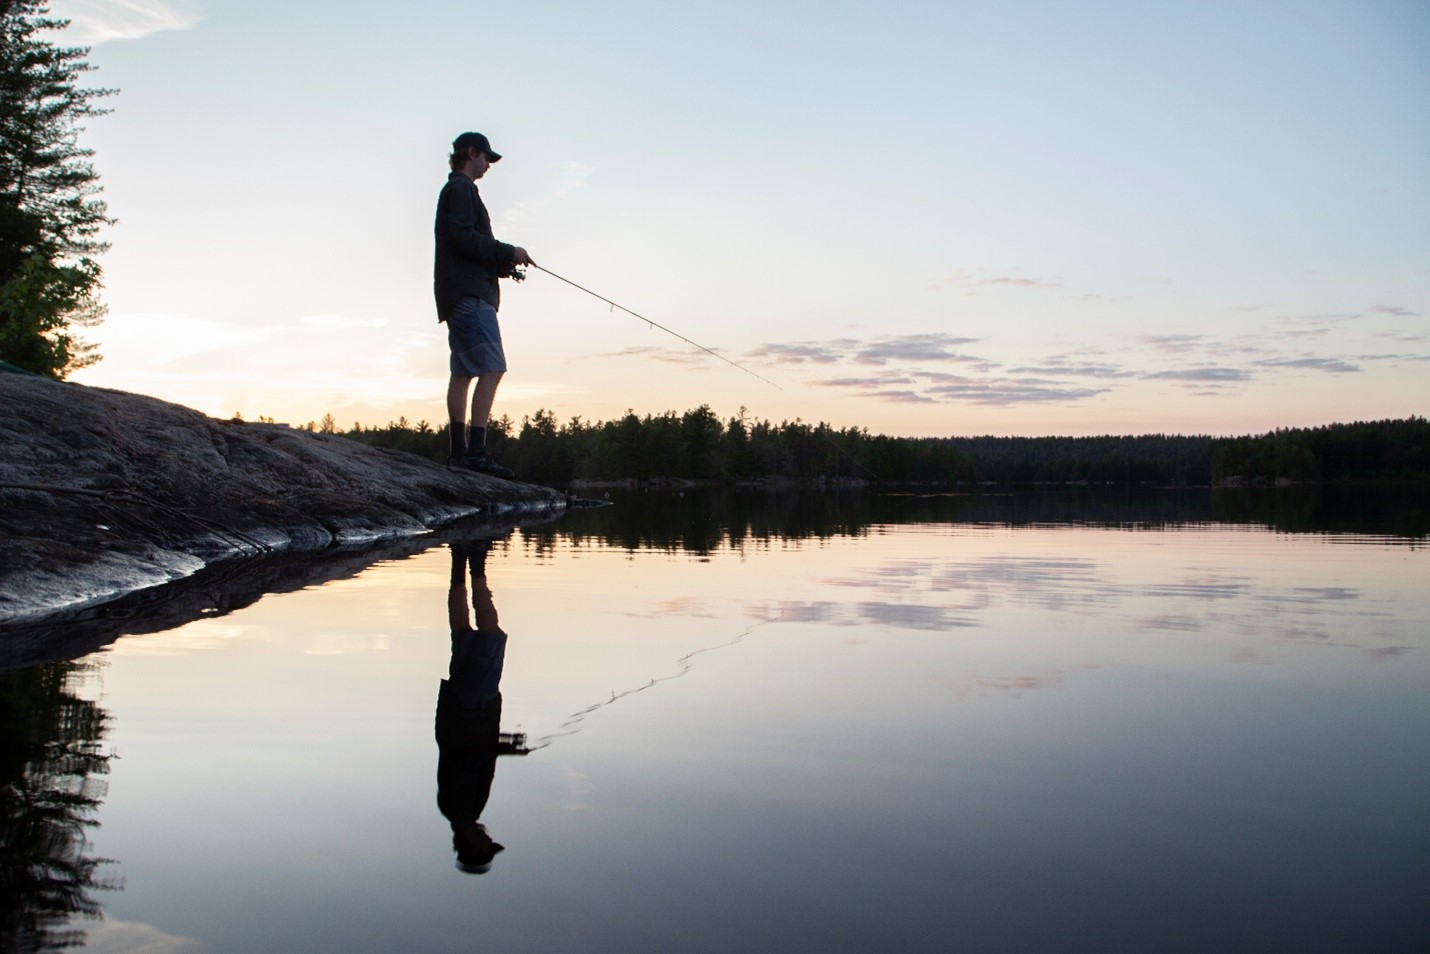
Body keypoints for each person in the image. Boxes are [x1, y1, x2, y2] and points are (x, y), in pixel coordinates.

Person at [434, 131, 534, 479]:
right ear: (471, 153)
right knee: (493, 368)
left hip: (457, 293)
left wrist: (501, 267)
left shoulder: (454, 191)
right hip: (470, 296)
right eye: (486, 158)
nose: (488, 165)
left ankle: (458, 453)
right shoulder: (462, 190)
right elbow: (463, 238)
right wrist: (508, 251)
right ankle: (476, 454)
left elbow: (465, 243)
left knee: (462, 373)